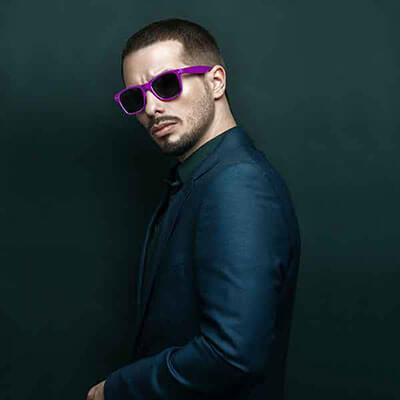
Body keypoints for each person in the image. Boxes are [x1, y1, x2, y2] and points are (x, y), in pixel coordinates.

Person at [87, 18, 301, 400]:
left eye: (167, 85)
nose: (152, 108)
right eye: (136, 98)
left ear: (216, 82)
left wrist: (115, 390)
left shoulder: (238, 184)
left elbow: (232, 354)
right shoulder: (200, 179)